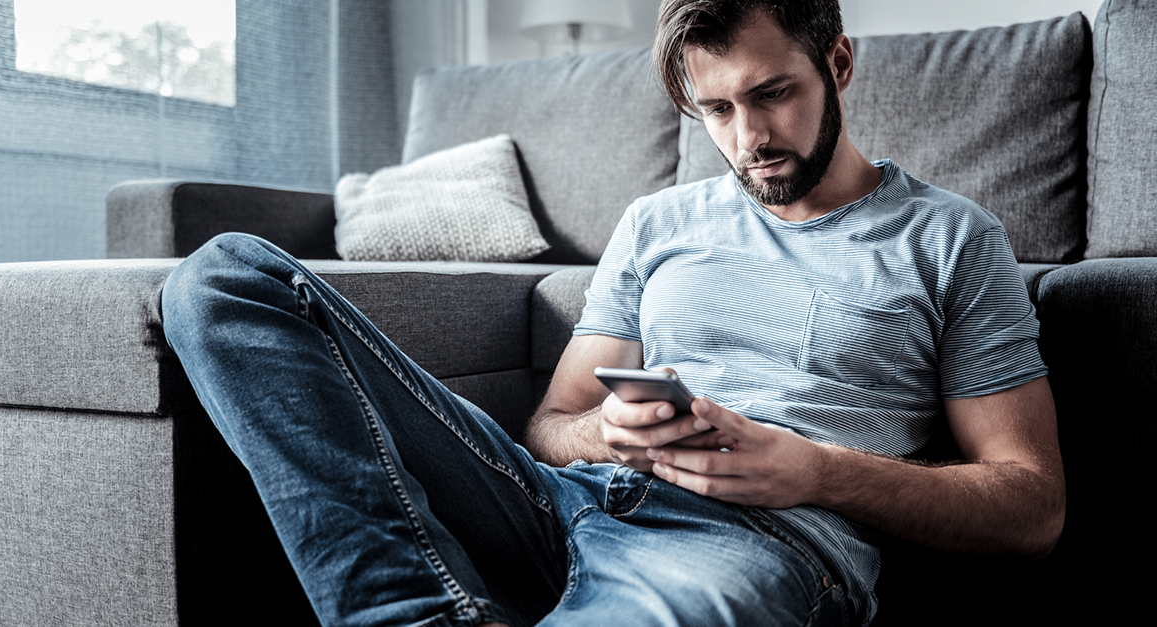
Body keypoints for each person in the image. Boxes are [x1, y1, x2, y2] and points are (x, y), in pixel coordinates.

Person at [161, 1, 1065, 625]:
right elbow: (548, 426)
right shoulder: (660, 220)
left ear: (838, 61)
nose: (747, 139)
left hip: (758, 544)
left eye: (771, 94)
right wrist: (610, 433)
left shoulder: (951, 238)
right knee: (224, 280)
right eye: (714, 109)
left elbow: (1031, 505)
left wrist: (816, 471)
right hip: (555, 499)